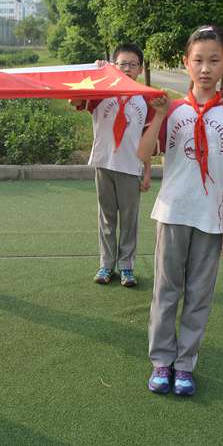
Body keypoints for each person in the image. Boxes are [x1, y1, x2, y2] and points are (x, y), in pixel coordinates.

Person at [137, 25, 223, 396]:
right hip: (173, 214)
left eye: (214, 60)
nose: (205, 68)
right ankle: (162, 360)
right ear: (186, 63)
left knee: (199, 295)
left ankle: (185, 364)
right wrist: (158, 116)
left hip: (210, 220)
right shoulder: (171, 109)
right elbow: (143, 153)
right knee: (166, 291)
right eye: (198, 60)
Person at [71, 43, 153, 288]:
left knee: (129, 220)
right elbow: (75, 99)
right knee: (106, 217)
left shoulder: (146, 99)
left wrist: (147, 171)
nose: (127, 69)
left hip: (131, 167)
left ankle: (126, 266)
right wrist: (95, 75)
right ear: (114, 65)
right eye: (122, 64)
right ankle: (106, 264)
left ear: (140, 69)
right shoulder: (102, 92)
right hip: (104, 163)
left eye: (133, 64)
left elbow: (148, 139)